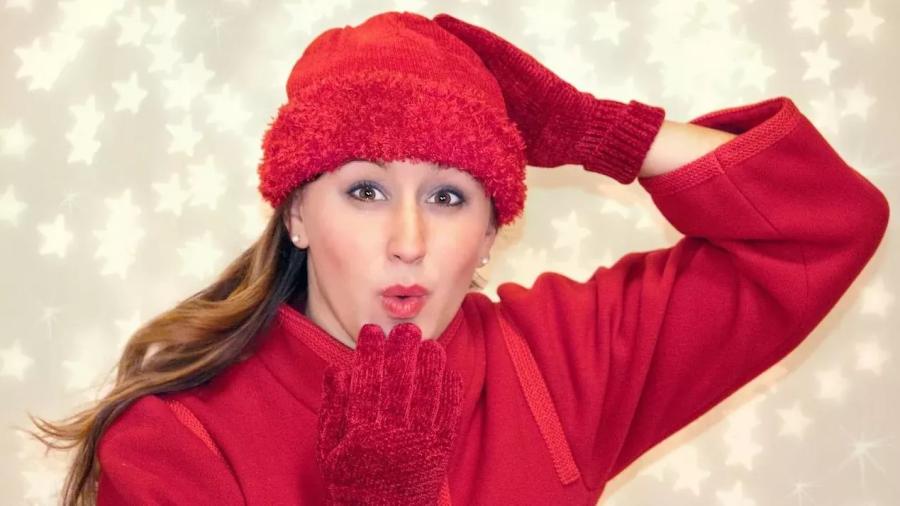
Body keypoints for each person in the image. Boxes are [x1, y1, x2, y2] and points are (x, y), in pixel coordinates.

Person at [25, 10, 889, 505]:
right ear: (296, 214)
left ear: (491, 231)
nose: (409, 241)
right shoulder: (176, 440)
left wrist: (606, 134)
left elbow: (825, 227)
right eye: (366, 190)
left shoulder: (558, 360)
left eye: (448, 197)